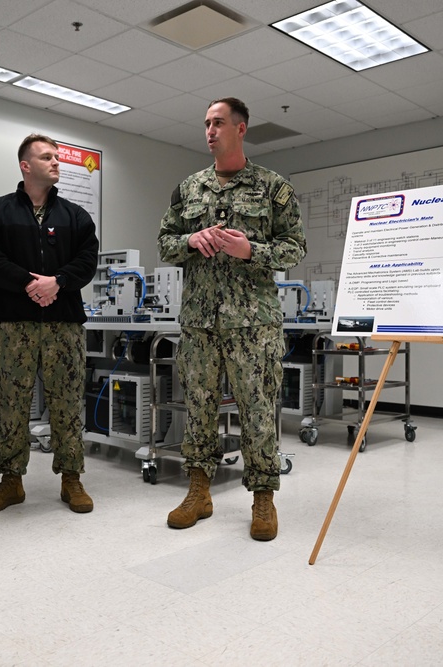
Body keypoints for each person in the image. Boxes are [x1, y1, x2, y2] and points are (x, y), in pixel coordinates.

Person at [156, 97, 306, 541]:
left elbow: (295, 248)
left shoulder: (272, 187)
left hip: (252, 325)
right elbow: (165, 242)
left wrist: (251, 250)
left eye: (218, 122)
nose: (209, 130)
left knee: (257, 411)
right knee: (199, 408)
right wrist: (191, 239)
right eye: (205, 123)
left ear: (240, 129)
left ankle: (263, 498)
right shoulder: (188, 188)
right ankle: (198, 491)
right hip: (200, 322)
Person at [0, 134, 99, 514]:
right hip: (13, 325)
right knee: (12, 403)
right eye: (47, 157)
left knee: (67, 403)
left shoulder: (76, 216)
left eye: (58, 157)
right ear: (25, 166)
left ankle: (72, 478)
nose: (57, 162)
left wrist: (57, 283)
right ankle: (11, 480)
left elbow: (86, 262)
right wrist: (31, 284)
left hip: (64, 325)